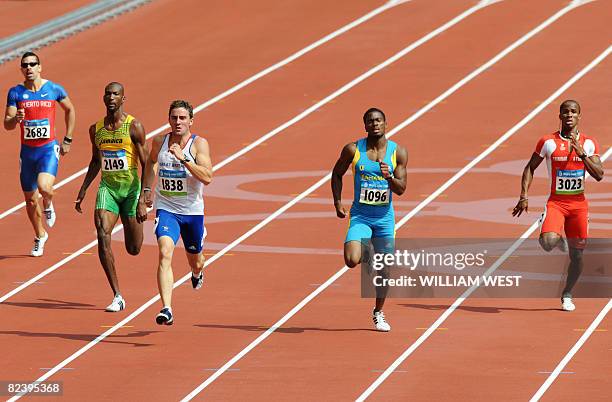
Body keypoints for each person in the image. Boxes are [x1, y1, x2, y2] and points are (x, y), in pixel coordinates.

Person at [512, 100, 604, 311]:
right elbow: (529, 167)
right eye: (565, 112)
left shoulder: (589, 143)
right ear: (560, 116)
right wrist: (523, 196)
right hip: (557, 203)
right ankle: (555, 235)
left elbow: (599, 175)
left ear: (579, 116)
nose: (569, 115)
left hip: (579, 205)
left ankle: (567, 293)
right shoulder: (548, 142)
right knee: (547, 243)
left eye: (573, 112)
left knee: (578, 256)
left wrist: (581, 153)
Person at [331, 108, 407, 331]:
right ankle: (368, 253)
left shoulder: (397, 152)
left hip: (384, 219)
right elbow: (336, 173)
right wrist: (337, 203)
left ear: (385, 124)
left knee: (385, 271)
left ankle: (378, 313)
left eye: (378, 120)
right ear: (364, 125)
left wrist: (389, 177)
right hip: (361, 216)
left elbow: (401, 189)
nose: (375, 124)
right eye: (370, 121)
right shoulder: (353, 150)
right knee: (351, 260)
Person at [74, 82, 148, 312]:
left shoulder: (133, 126)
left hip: (131, 190)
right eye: (108, 93)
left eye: (116, 93)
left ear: (123, 98)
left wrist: (144, 198)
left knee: (133, 248)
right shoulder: (96, 129)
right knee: (102, 232)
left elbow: (147, 163)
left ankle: (139, 223)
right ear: (103, 98)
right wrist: (84, 188)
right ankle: (117, 295)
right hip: (108, 189)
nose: (111, 97)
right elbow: (96, 160)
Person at [140, 100, 212, 325]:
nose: (177, 122)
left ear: (191, 121)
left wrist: (184, 159)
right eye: (174, 118)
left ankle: (197, 273)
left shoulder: (198, 144)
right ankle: (166, 308)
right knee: (165, 251)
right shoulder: (160, 142)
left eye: (182, 118)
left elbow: (207, 177)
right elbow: (151, 162)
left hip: (192, 212)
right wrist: (146, 190)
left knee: (196, 261)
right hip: (167, 208)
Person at [4, 51, 76, 256]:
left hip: (47, 150)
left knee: (45, 188)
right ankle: (40, 235)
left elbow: (70, 110)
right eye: (25, 65)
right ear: (21, 69)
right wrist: (15, 119)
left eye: (33, 64)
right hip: (27, 154)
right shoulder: (15, 93)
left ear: (40, 67)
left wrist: (68, 139)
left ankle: (49, 202)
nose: (29, 68)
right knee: (29, 200)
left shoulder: (53, 89)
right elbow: (7, 124)